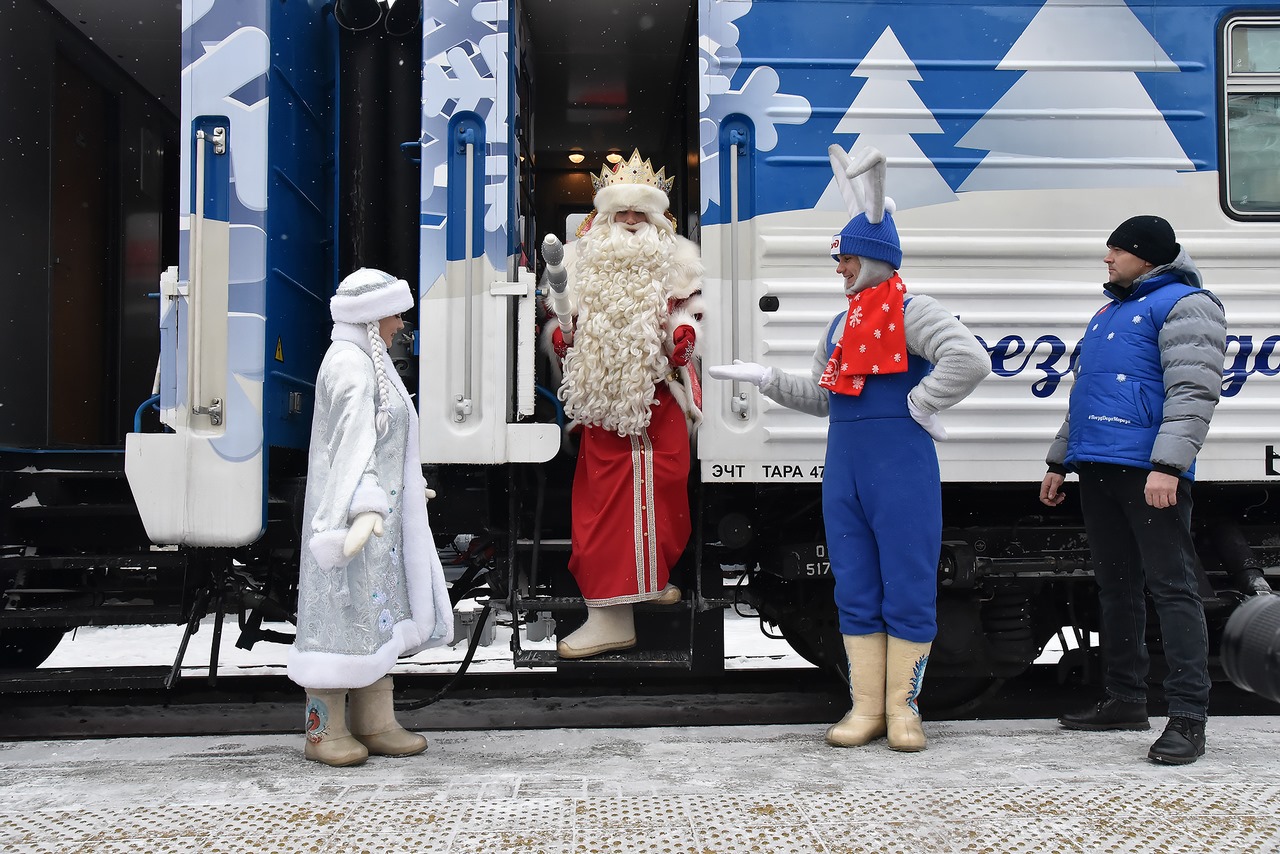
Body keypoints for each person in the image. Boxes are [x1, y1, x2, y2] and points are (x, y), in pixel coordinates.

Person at [708, 146, 989, 751]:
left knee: (909, 583)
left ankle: (905, 712)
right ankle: (866, 710)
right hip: (846, 470)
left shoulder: (915, 311)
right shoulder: (841, 325)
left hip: (901, 468)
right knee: (854, 584)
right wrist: (767, 380)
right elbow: (824, 398)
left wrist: (920, 404)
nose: (839, 269)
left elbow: (969, 359)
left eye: (846, 258)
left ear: (875, 257)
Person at [1040, 215, 1227, 765]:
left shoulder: (1188, 305)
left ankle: (1188, 717)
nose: (1108, 258)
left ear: (1147, 256)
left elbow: (1193, 391)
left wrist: (1169, 465)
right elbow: (1086, 394)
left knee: (1173, 589)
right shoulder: (1112, 310)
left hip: (1149, 471)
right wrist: (1060, 460)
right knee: (1116, 588)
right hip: (1099, 465)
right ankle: (1124, 698)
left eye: (1117, 251)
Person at [539, 150, 704, 660]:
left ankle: (649, 578)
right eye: (621, 213)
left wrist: (684, 335)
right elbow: (558, 325)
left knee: (664, 496)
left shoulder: (679, 261)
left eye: (641, 213)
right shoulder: (582, 260)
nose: (631, 223)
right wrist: (562, 344)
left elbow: (694, 318)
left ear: (657, 219)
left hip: (658, 402)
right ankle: (610, 616)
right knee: (604, 507)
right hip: (604, 404)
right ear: (605, 218)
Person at [287, 267, 454, 766]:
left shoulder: (366, 361)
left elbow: (377, 441)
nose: (402, 323)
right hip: (349, 523)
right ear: (371, 317)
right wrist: (361, 507)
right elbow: (347, 448)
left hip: (375, 522)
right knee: (339, 613)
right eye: (394, 313)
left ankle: (373, 722)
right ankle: (324, 731)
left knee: (372, 614)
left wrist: (401, 488)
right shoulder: (350, 366)